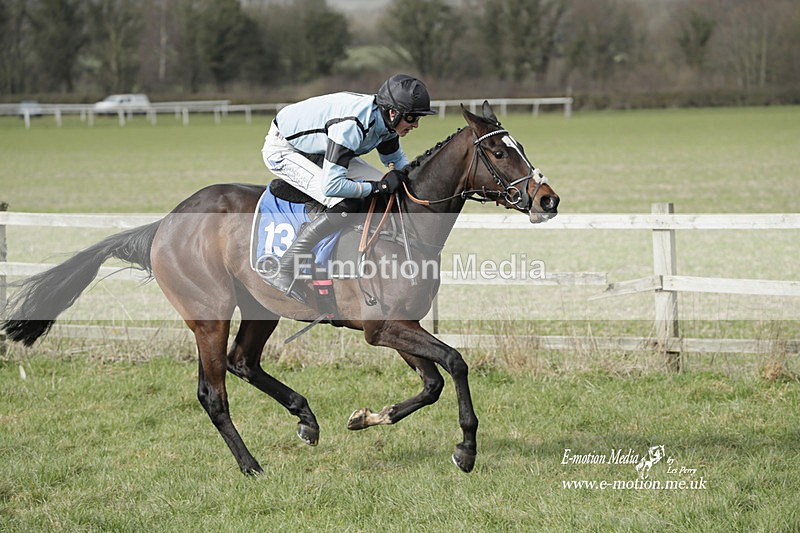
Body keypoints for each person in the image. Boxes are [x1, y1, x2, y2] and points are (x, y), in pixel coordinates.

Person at [261, 74, 436, 297]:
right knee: (346, 201)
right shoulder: (352, 126)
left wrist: (408, 182)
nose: (416, 125)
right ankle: (285, 266)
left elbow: (397, 163)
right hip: (285, 150)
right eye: (412, 118)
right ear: (393, 112)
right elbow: (333, 186)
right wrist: (377, 188)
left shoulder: (385, 121)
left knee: (385, 193)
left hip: (320, 148)